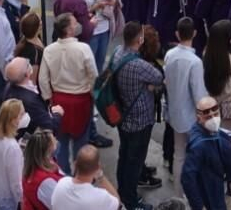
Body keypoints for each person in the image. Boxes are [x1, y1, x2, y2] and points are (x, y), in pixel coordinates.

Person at [112, 21, 166, 210]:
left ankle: (122, 190)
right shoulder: (138, 65)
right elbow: (159, 77)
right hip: (140, 120)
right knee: (134, 162)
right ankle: (131, 201)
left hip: (122, 115)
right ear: (140, 40)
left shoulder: (118, 52)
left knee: (124, 155)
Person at [40, 12, 99, 172]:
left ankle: (63, 175)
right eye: (74, 23)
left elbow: (43, 79)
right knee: (81, 142)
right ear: (68, 30)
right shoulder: (83, 49)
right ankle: (81, 174)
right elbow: (94, 76)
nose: (77, 25)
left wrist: (48, 98)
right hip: (81, 101)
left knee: (60, 142)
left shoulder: (49, 50)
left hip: (58, 100)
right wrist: (93, 94)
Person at [165, 16, 209, 191]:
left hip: (174, 112)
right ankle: (193, 192)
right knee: (196, 156)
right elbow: (199, 94)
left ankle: (178, 193)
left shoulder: (169, 55)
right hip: (192, 117)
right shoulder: (195, 62)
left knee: (179, 154)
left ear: (177, 34)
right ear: (195, 33)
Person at [181, 95, 231, 210]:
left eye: (216, 114)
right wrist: (199, 206)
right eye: (208, 116)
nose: (213, 119)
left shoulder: (214, 132)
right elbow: (187, 178)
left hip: (220, 187)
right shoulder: (198, 145)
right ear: (199, 117)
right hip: (210, 194)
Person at [52, 145, 122, 210]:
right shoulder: (100, 197)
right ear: (98, 167)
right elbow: (117, 203)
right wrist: (101, 177)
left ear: (75, 164)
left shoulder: (61, 183)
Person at [0, 99, 31, 210]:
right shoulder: (12, 147)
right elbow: (16, 182)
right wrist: (22, 201)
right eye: (21, 114)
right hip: (11, 199)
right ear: (13, 120)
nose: (25, 116)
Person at [24, 128, 67, 210]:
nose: (56, 140)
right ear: (48, 148)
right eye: (54, 139)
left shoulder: (48, 163)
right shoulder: (44, 181)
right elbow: (61, 205)